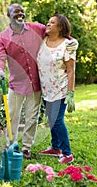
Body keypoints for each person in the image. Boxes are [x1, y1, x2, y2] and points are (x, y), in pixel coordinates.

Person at [0, 3, 46, 159]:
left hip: (35, 82)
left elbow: (55, 31)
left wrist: (69, 40)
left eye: (22, 11)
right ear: (9, 16)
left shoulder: (37, 28)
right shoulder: (2, 38)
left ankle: (26, 148)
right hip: (16, 84)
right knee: (12, 116)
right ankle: (11, 144)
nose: (20, 14)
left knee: (32, 116)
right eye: (16, 12)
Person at [36, 13, 78, 164]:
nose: (48, 24)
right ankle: (55, 147)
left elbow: (71, 70)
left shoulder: (68, 45)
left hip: (61, 88)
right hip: (46, 89)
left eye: (52, 22)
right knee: (51, 119)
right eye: (48, 21)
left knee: (57, 120)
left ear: (60, 27)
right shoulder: (42, 41)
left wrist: (71, 93)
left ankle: (67, 153)